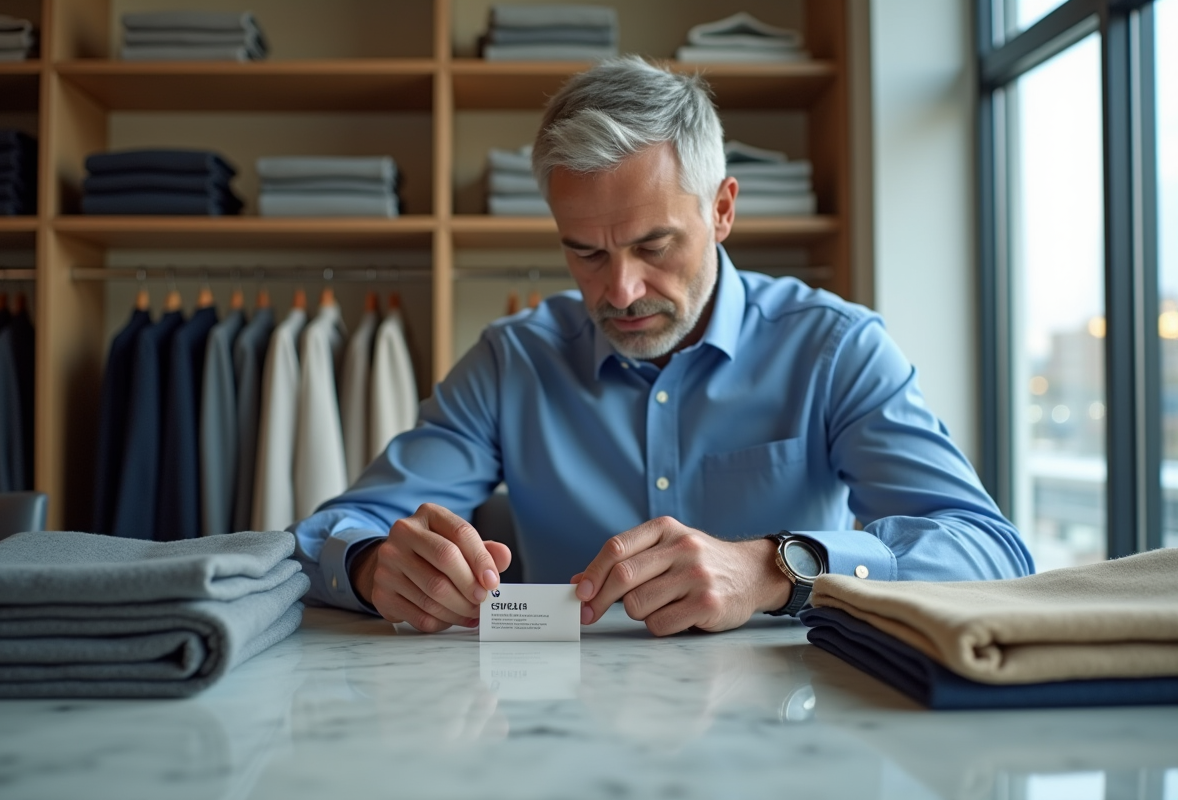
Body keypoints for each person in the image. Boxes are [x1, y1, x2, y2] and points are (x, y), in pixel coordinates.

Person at [290, 56, 1033, 637]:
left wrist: (778, 568)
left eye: (654, 245)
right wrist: (372, 566)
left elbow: (990, 551)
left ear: (722, 209)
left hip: (795, 726)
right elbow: (327, 532)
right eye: (585, 253)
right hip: (563, 729)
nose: (619, 290)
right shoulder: (513, 361)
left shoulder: (836, 350)